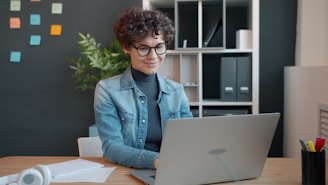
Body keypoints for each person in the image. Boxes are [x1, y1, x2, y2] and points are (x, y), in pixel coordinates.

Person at [93, 7, 193, 170]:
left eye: (159, 47)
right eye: (144, 48)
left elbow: (189, 137)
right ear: (126, 47)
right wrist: (156, 161)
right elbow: (111, 146)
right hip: (128, 171)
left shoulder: (176, 91)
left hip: (171, 170)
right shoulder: (107, 90)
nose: (153, 56)